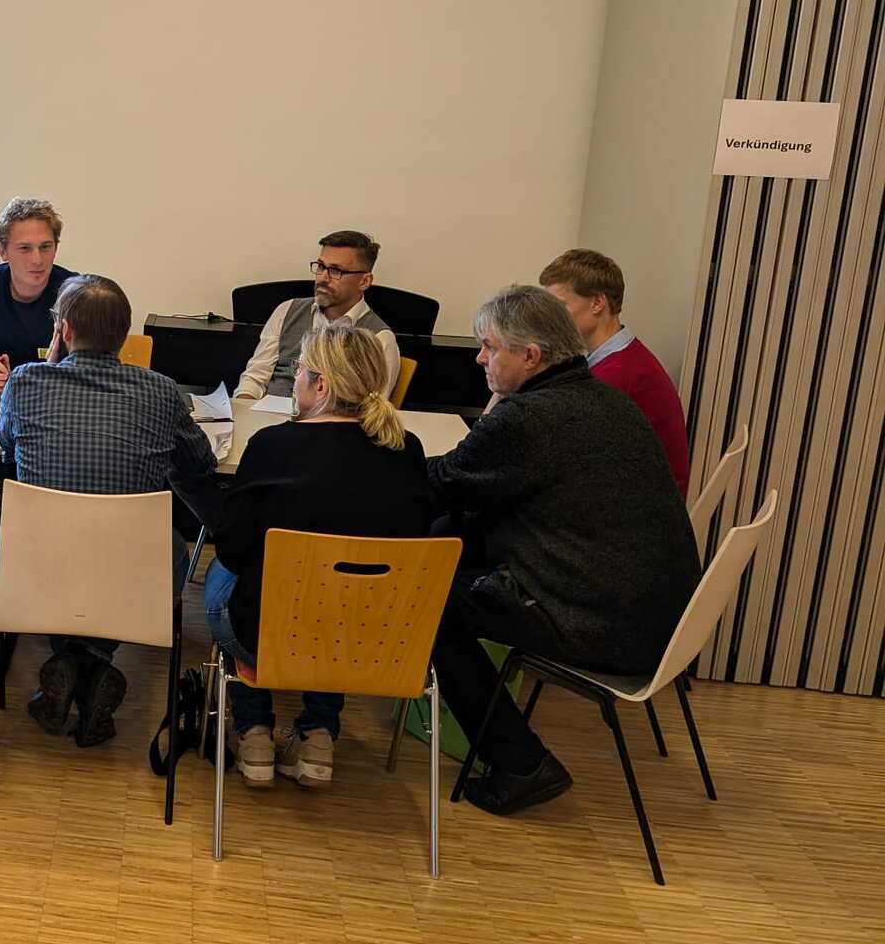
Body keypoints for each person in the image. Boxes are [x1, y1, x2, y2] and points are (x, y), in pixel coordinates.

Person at [427, 286, 701, 816]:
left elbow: (443, 480)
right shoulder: (606, 399)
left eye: (489, 347)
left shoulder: (529, 419)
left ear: (531, 356)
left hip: (602, 623)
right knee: (456, 538)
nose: (479, 358)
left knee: (427, 599)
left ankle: (520, 764)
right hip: (655, 613)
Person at [203, 322, 438, 790]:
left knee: (224, 576)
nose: (295, 381)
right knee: (340, 599)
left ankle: (254, 732)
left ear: (322, 386)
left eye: (300, 371)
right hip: (373, 637)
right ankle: (318, 736)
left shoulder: (272, 445)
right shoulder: (407, 449)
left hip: (268, 634)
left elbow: (232, 549)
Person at [0, 274, 216, 745]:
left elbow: (7, 445)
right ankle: (95, 660)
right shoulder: (161, 391)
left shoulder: (26, 381)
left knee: (3, 536)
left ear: (64, 330)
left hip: (37, 567)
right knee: (170, 548)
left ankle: (70, 658)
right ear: (124, 334)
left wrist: (49, 368)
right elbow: (201, 462)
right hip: (130, 574)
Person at [540, 248, 689, 494]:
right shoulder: (623, 358)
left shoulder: (618, 376)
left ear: (598, 303)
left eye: (559, 307)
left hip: (638, 504)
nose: (550, 319)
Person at [233, 230, 401, 404]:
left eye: (335, 270)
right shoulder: (287, 311)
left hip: (332, 421)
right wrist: (244, 408)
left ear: (364, 281)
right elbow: (254, 378)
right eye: (321, 266)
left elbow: (373, 408)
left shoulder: (380, 339)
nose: (322, 278)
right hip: (268, 416)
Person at [0, 196, 78, 397]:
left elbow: (86, 365)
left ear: (55, 248)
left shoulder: (74, 292)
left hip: (58, 401)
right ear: (3, 251)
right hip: (1, 402)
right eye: (25, 248)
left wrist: (21, 383)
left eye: (45, 247)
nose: (37, 259)